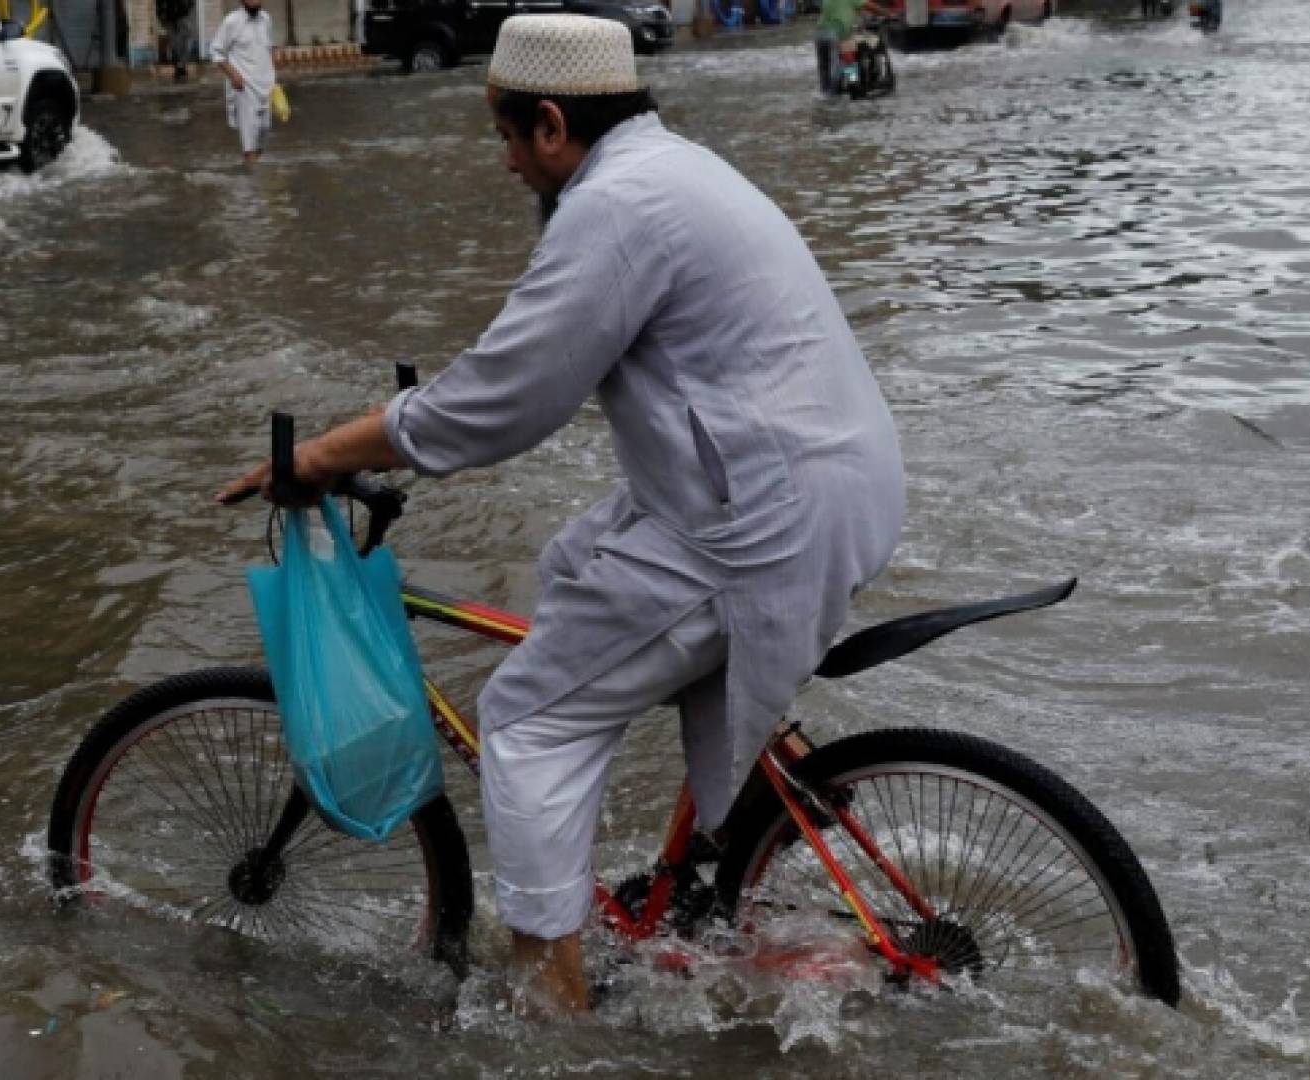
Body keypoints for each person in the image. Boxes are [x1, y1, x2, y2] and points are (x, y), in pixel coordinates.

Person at [216, 14, 905, 1015]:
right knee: (577, 561)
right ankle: (706, 886)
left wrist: (323, 454)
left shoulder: (617, 206)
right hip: (809, 481)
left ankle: (551, 1004)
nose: (504, 165)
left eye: (503, 138)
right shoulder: (674, 170)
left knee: (526, 718)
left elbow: (504, 398)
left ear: (550, 124)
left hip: (759, 517)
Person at [210, 0, 278, 169]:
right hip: (244, 87)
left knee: (264, 131)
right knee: (250, 140)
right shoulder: (231, 21)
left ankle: (254, 174)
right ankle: (251, 189)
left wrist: (274, 79)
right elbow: (216, 51)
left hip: (266, 86)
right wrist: (233, 75)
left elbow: (268, 50)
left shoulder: (266, 19)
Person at [817, 0, 896, 94]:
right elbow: (870, 6)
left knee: (824, 68)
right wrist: (889, 14)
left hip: (820, 34)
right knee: (846, 62)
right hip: (836, 33)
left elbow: (845, 11)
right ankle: (850, 85)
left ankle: (825, 93)